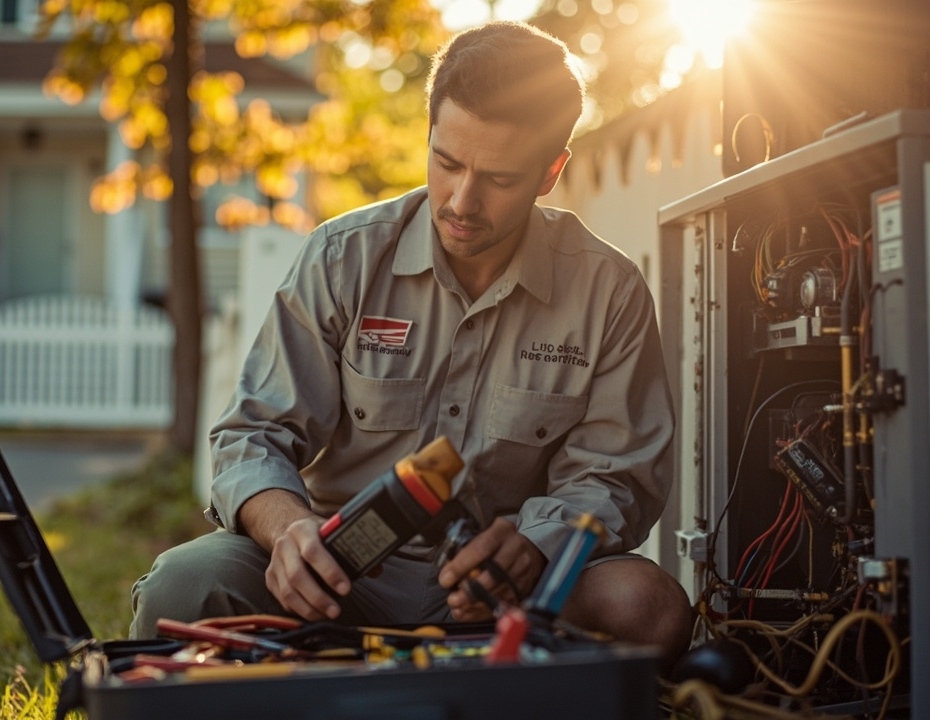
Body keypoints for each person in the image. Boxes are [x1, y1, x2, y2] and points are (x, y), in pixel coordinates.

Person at [130, 20, 693, 672]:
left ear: (550, 172)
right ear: (428, 135)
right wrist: (290, 534)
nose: (461, 200)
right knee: (183, 585)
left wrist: (537, 544)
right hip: (336, 579)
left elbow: (617, 474)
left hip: (513, 595)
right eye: (447, 162)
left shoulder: (609, 290)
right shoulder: (342, 258)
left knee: (646, 604)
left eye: (500, 178)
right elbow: (251, 436)